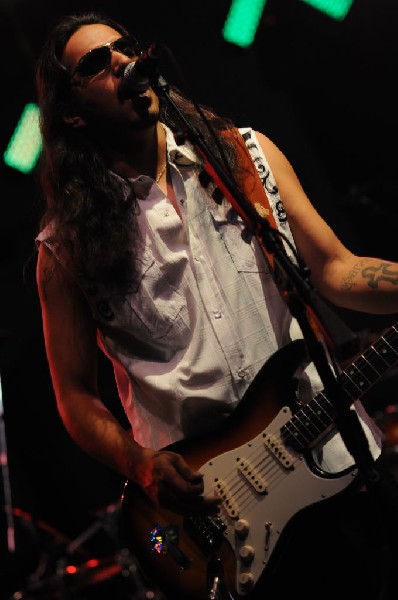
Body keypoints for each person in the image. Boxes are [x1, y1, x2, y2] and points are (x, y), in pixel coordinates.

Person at [33, 11, 398, 600]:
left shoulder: (244, 157)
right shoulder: (66, 247)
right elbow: (74, 397)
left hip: (336, 463)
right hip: (204, 522)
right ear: (71, 111)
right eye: (97, 63)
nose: (124, 61)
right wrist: (141, 467)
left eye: (125, 47)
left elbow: (335, 269)